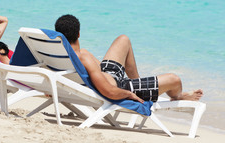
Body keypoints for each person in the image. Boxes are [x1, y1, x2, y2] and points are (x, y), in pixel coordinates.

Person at [54, 14, 203, 103]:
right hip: (119, 86)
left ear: (59, 34)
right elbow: (109, 92)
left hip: (106, 75)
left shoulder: (56, 53)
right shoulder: (83, 55)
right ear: (79, 34)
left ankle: (139, 83)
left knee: (123, 39)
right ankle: (178, 96)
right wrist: (129, 94)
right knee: (174, 80)